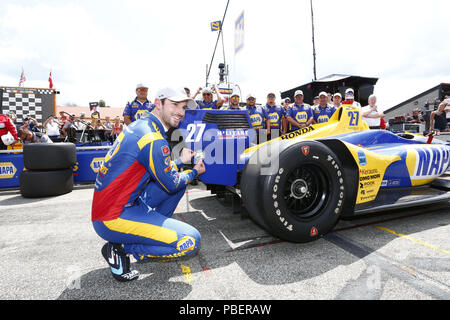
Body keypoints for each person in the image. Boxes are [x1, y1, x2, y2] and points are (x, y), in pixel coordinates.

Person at [91, 87, 205, 282]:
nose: (180, 112)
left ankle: (148, 233)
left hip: (124, 203)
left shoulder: (142, 126)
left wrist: (179, 162)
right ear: (158, 103)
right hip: (112, 217)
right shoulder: (153, 138)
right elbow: (171, 182)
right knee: (191, 240)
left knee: (177, 188)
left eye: (184, 107)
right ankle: (121, 247)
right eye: (175, 104)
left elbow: (159, 170)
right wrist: (194, 171)